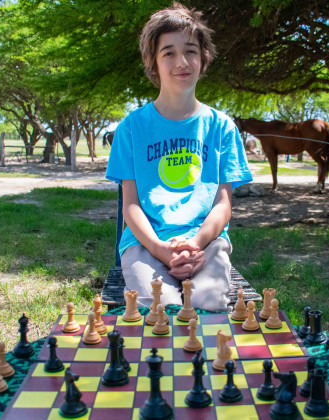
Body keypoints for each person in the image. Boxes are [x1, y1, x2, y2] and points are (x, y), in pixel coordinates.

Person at [105, 3, 252, 312]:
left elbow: (223, 205)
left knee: (207, 303)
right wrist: (160, 250)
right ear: (152, 62)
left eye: (191, 51)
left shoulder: (222, 127)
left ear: (204, 58)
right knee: (161, 309)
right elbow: (129, 204)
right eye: (168, 53)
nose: (181, 62)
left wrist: (197, 243)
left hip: (206, 243)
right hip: (145, 244)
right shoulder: (130, 129)